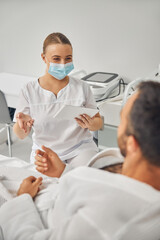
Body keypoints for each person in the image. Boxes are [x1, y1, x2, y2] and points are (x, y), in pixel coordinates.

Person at [1, 81, 160, 240]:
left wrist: (22, 198)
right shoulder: (143, 160)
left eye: (122, 121)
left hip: (25, 213)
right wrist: (64, 171)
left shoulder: (110, 218)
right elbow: (100, 183)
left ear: (132, 144)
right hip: (54, 185)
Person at [13, 32, 102, 164]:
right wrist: (23, 127)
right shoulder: (29, 90)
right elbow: (20, 135)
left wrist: (91, 124)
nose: (63, 64)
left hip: (80, 149)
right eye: (56, 58)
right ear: (44, 58)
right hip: (45, 151)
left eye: (68, 58)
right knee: (45, 183)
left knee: (82, 179)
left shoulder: (82, 87)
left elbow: (98, 123)